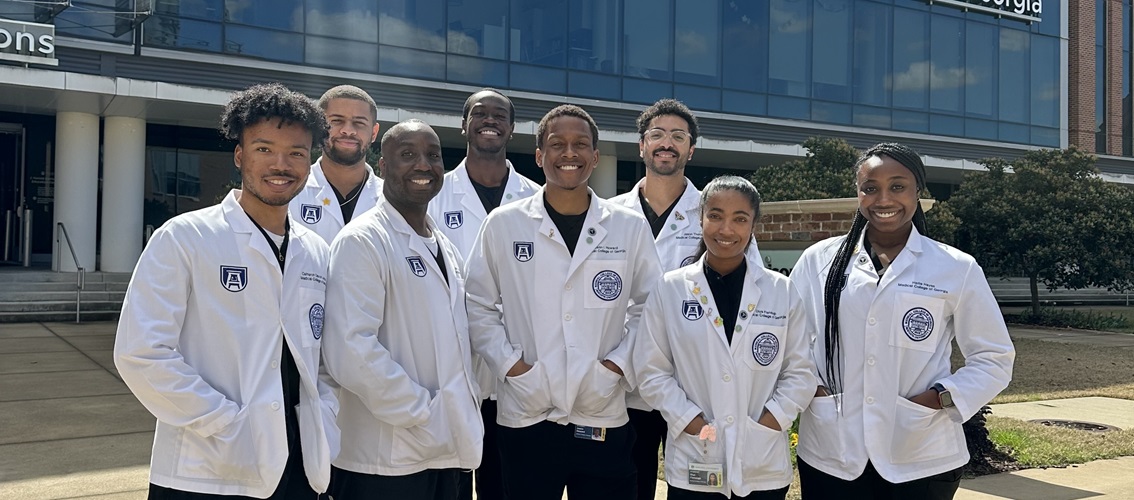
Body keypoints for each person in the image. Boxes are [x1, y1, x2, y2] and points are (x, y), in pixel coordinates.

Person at [114, 82, 338, 499]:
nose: (281, 164)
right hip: (206, 468)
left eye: (296, 153)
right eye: (264, 149)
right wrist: (228, 425)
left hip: (300, 466)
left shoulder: (316, 252)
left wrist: (326, 415)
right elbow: (141, 353)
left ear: (310, 164)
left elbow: (322, 358)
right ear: (239, 156)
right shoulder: (185, 237)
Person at [791, 143, 1015, 499]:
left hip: (921, 453)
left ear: (917, 192)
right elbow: (791, 343)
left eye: (897, 186)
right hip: (832, 451)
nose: (883, 199)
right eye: (870, 187)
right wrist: (815, 391)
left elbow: (995, 359)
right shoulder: (818, 261)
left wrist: (938, 400)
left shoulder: (955, 267)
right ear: (858, 193)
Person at [465, 104, 663, 500]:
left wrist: (616, 367)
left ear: (595, 157)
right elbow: (476, 304)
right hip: (527, 410)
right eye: (557, 144)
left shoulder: (628, 227)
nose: (568, 153)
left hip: (601, 406)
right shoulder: (504, 224)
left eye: (580, 145)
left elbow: (651, 309)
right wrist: (514, 369)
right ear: (539, 156)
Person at [322, 119, 483, 500]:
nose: (423, 165)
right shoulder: (362, 241)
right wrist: (422, 412)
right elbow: (350, 350)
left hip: (445, 451)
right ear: (382, 167)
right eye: (407, 155)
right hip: (385, 461)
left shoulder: (442, 243)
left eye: (433, 155)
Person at [633, 176, 815, 500]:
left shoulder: (781, 291)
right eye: (715, 215)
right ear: (700, 218)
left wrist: (770, 422)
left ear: (754, 225)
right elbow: (651, 370)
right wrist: (690, 421)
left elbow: (800, 373)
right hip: (696, 456)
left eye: (739, 219)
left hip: (762, 462)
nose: (726, 230)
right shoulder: (671, 288)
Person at [427, 89, 540, 500]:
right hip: (451, 366)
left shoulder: (536, 198)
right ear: (464, 124)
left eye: (499, 115)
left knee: (504, 483)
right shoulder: (433, 193)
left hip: (517, 364)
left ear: (511, 128)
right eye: (480, 113)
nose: (489, 120)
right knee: (452, 482)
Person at [609, 98, 709, 500]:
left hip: (692, 378)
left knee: (695, 486)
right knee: (627, 485)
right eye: (657, 135)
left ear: (691, 149)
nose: (666, 144)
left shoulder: (714, 211)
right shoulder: (608, 215)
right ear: (641, 146)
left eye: (677, 136)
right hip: (623, 380)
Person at [290, 84, 384, 243]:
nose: (348, 130)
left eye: (359, 123)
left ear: (374, 132)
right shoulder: (290, 191)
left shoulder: (390, 199)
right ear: (319, 126)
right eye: (337, 121)